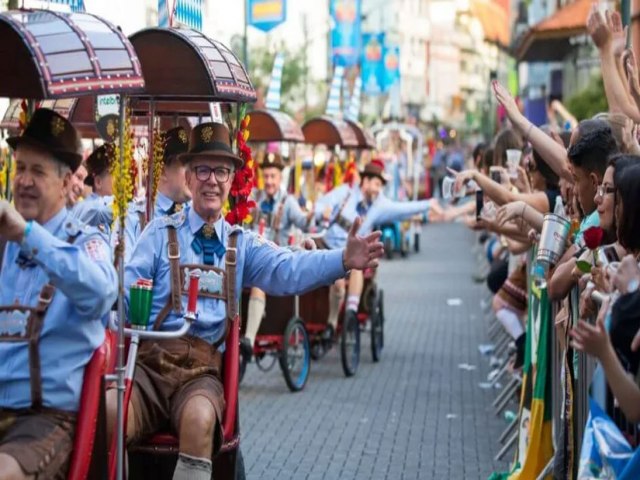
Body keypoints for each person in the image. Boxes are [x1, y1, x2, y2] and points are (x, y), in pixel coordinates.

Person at [106, 122, 384, 480]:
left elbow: (289, 268)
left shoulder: (242, 243)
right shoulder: (158, 234)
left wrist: (342, 260)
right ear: (189, 179)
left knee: (200, 419)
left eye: (221, 171)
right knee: (110, 410)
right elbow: (123, 291)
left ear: (230, 181)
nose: (212, 180)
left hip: (201, 376)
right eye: (203, 170)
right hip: (147, 369)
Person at [0, 108, 117, 479]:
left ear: (67, 182)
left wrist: (28, 236)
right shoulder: (2, 245)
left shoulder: (87, 242)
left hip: (46, 421)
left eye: (38, 171)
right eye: (20, 169)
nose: (24, 181)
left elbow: (101, 294)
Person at [314, 159, 442, 335]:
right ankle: (332, 322)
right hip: (330, 249)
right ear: (364, 181)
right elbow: (319, 204)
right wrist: (323, 211)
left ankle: (351, 313)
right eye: (375, 184)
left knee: (357, 263)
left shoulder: (378, 205)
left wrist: (428, 204)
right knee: (338, 284)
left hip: (352, 256)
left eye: (380, 185)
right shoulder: (345, 193)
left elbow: (402, 208)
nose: (377, 189)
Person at [242, 152, 314, 360]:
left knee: (258, 280)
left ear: (280, 178)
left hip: (276, 260)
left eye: (273, 176)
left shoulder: (288, 202)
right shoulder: (254, 197)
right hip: (251, 255)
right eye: (266, 177)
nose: (269, 181)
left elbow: (303, 223)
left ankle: (248, 338)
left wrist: (312, 215)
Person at [120, 126, 191, 262]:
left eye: (195, 167)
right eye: (185, 166)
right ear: (163, 171)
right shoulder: (133, 219)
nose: (192, 173)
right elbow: (125, 275)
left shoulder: (200, 216)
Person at [71, 143, 115, 234]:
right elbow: (101, 211)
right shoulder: (87, 207)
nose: (122, 182)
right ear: (98, 182)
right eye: (117, 176)